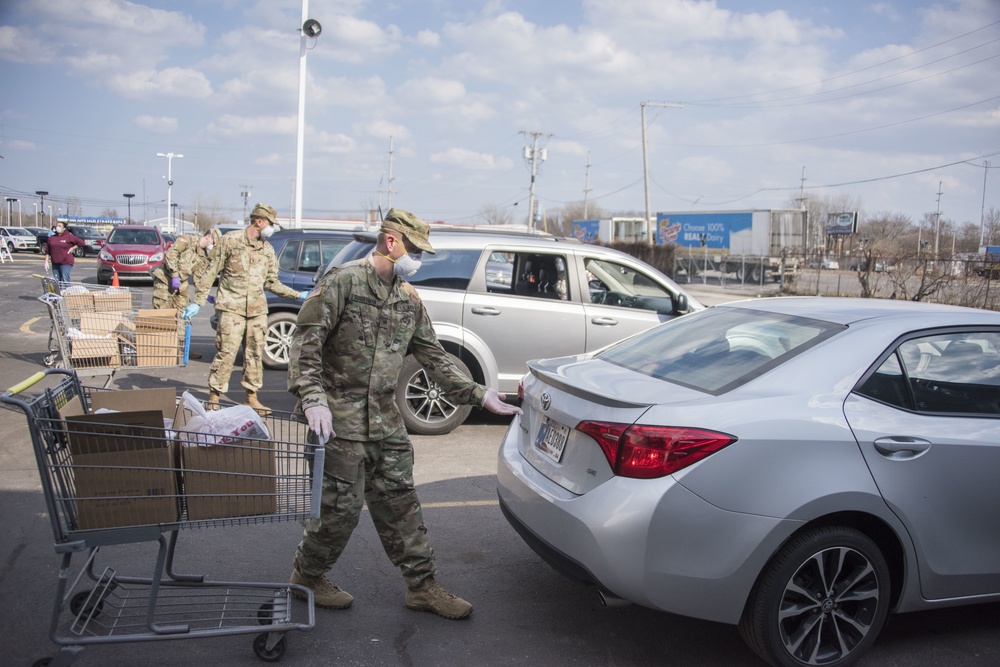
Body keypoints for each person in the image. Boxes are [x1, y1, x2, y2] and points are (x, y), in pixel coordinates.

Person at [286, 208, 521, 620]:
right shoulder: (343, 283)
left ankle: (422, 587)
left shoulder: (408, 297)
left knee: (402, 506)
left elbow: (434, 356)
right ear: (392, 241)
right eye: (414, 248)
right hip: (337, 421)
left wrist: (479, 395)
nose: (418, 258)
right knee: (339, 513)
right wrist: (312, 399)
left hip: (385, 421)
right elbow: (305, 345)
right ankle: (306, 577)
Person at [184, 204, 308, 415]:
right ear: (259, 222)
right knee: (226, 353)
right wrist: (198, 301)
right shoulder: (230, 241)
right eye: (270, 223)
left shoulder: (267, 250)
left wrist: (297, 295)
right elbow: (211, 271)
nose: (271, 229)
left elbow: (271, 283)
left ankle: (251, 397)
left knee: (254, 355)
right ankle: (214, 396)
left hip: (257, 310)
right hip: (231, 307)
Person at [151, 228, 221, 360]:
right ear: (207, 236)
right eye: (214, 243)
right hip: (165, 280)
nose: (213, 247)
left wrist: (204, 296)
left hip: (181, 284)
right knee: (162, 314)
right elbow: (171, 255)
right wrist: (174, 275)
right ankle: (161, 349)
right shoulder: (187, 240)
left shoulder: (204, 257)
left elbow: (199, 278)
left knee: (184, 316)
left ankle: (183, 349)